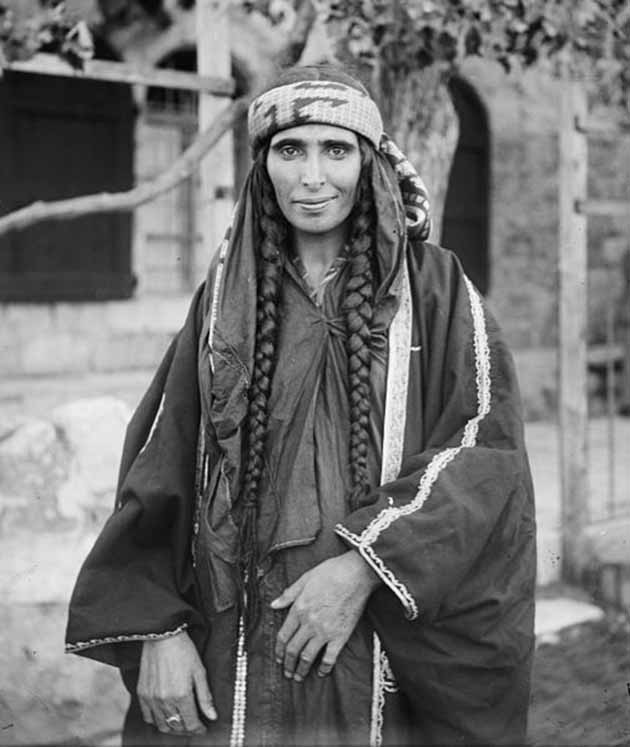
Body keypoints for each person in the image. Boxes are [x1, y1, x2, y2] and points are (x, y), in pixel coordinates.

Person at [66, 64, 536, 747]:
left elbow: (484, 451)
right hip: (235, 649)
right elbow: (161, 461)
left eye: (335, 149)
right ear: (263, 166)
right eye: (291, 150)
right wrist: (158, 628)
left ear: (369, 162)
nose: (313, 177)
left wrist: (363, 566)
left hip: (375, 652)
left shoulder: (436, 294)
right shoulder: (224, 298)